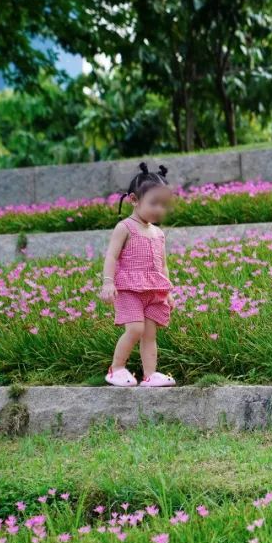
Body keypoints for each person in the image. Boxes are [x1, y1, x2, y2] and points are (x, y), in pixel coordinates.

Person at [99, 162, 177, 387]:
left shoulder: (158, 233)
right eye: (153, 203)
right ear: (134, 200)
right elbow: (111, 257)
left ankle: (150, 374)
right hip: (129, 288)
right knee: (135, 329)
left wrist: (168, 292)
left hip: (153, 290)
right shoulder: (125, 227)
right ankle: (117, 368)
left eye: (163, 205)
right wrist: (107, 283)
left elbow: (163, 264)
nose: (159, 209)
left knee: (149, 334)